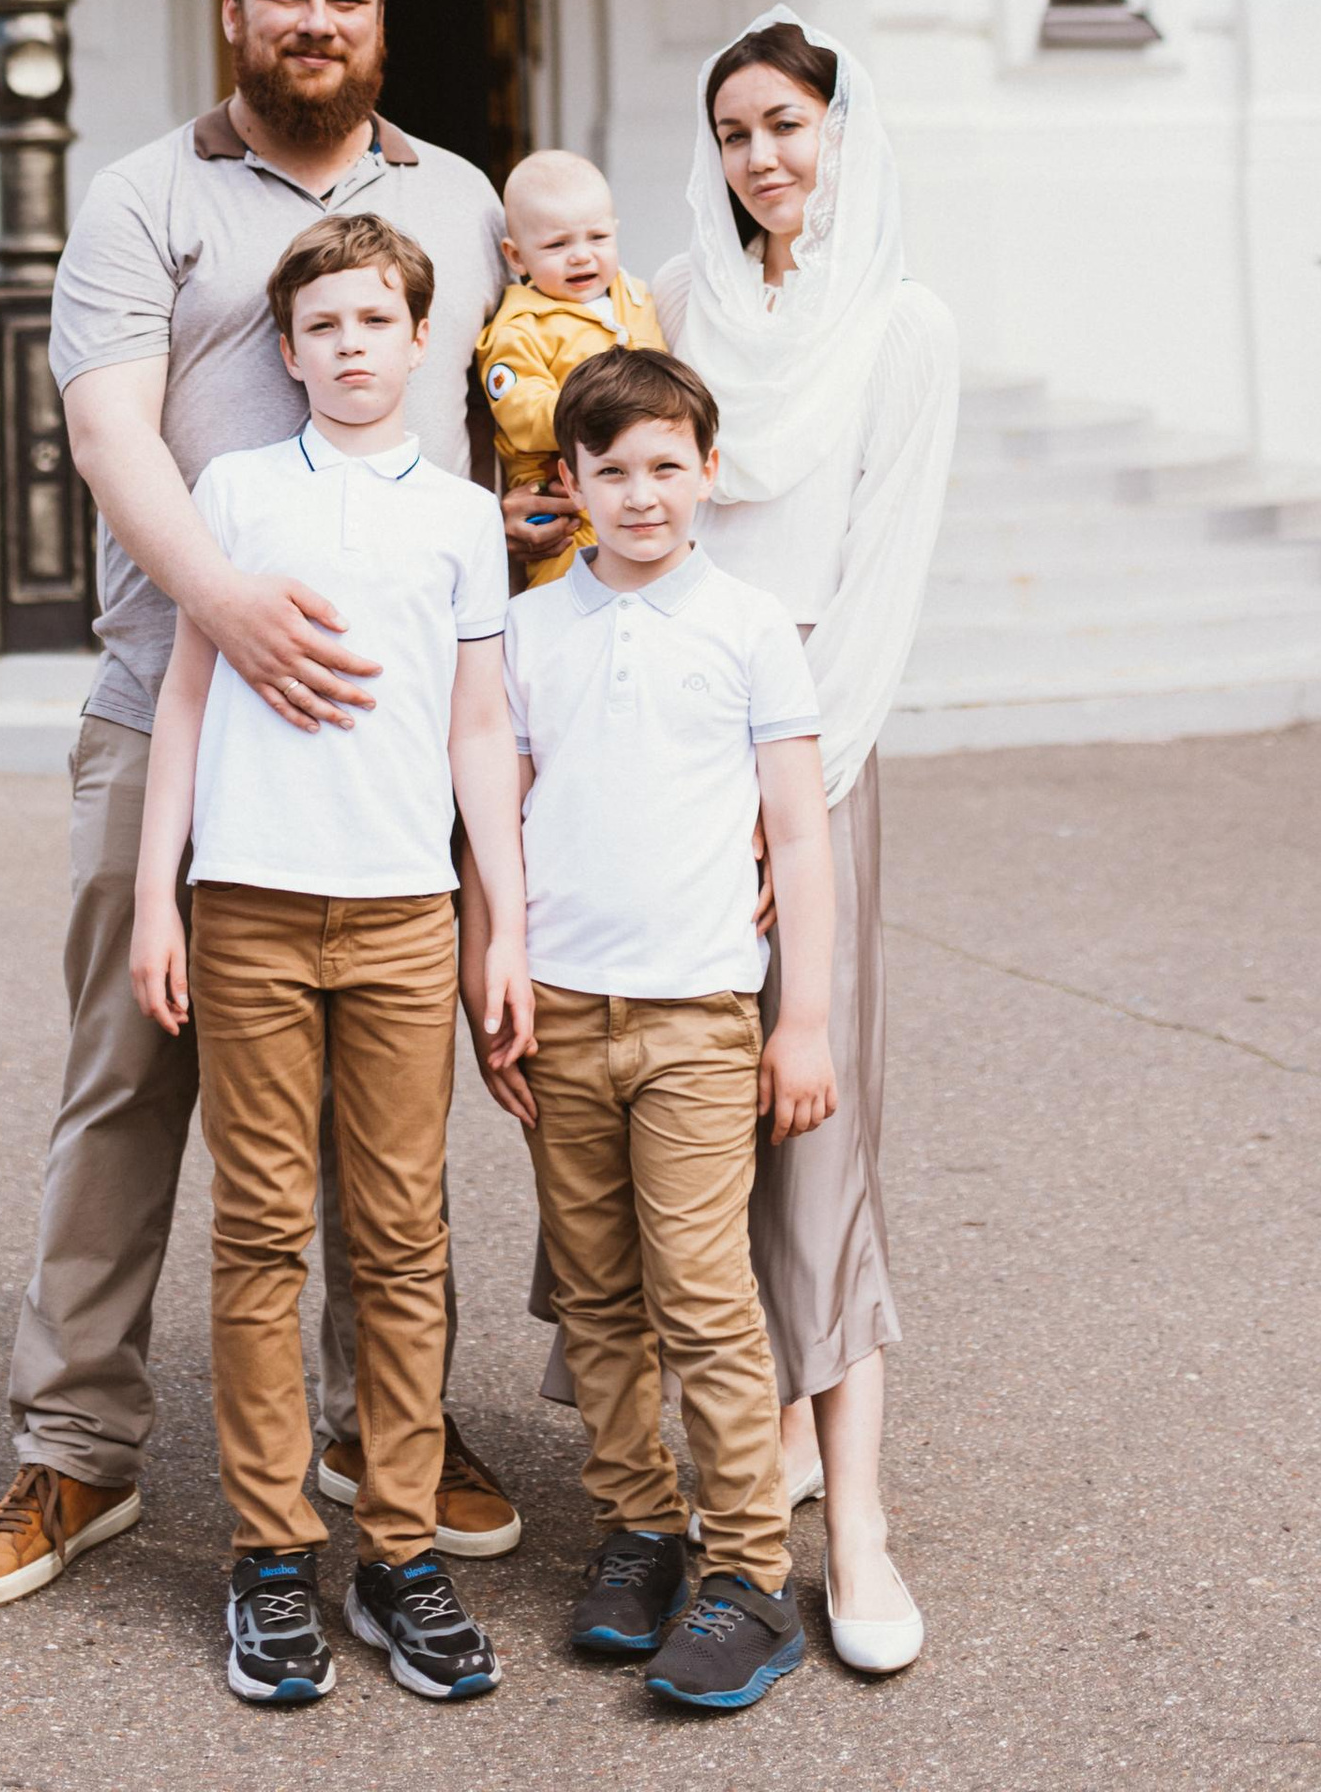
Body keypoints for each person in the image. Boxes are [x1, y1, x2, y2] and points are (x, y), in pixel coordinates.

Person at [0, 0, 522, 1610]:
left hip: (384, 749)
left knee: (375, 1106)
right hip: (165, 707)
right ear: (235, 14)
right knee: (129, 1086)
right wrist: (231, 606)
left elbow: (518, 429)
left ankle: (372, 1427)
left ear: (379, 18)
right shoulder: (142, 198)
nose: (315, 26)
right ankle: (74, 1453)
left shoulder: (464, 203)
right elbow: (112, 435)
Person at [130, 215, 531, 1706]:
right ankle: (269, 1557)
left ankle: (402, 1553)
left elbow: (479, 730)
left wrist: (506, 917)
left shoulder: (461, 518)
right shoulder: (232, 491)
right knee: (258, 1235)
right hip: (247, 901)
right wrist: (153, 899)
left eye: (377, 321)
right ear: (286, 353)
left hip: (402, 911)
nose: (352, 346)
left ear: (420, 341)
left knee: (403, 1235)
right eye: (324, 327)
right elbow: (182, 702)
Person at [655, 8, 957, 1679]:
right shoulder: (688, 304)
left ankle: (860, 1526)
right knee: (681, 1098)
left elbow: (883, 587)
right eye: (736, 133)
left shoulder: (903, 329)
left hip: (812, 749)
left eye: (790, 124)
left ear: (844, 128)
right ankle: (718, 1480)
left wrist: (799, 815)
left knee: (816, 1115)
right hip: (669, 747)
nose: (764, 157)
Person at [470, 344, 836, 1717]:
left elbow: (795, 834)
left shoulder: (747, 624)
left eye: (665, 467)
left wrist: (800, 1021)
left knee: (701, 1291)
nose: (638, 493)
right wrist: (489, 979)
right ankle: (639, 1527)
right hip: (561, 1009)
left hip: (695, 1012)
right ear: (564, 484)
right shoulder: (527, 629)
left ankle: (747, 1573)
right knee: (598, 1293)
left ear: (708, 474)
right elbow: (491, 824)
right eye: (608, 470)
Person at [472, 150, 668, 591]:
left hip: (643, 491)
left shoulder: (634, 297)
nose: (581, 257)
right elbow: (523, 415)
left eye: (597, 238)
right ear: (516, 257)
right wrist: (613, 408)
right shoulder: (517, 327)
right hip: (565, 511)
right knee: (569, 609)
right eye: (558, 245)